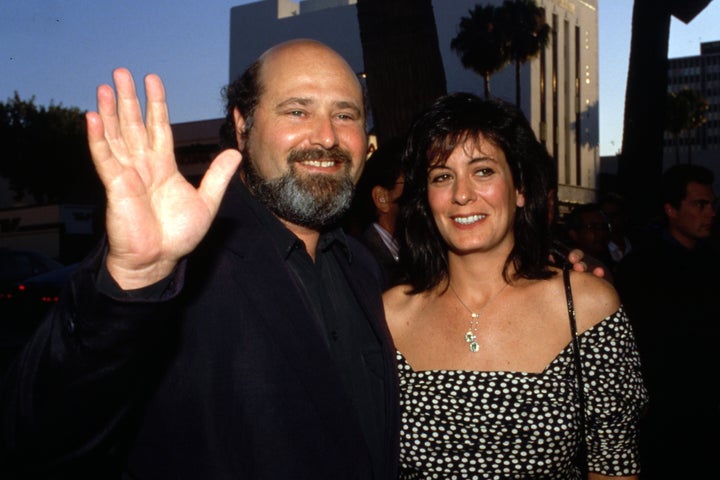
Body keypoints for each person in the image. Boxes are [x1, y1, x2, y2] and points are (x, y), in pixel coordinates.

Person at [1, 39, 400, 479]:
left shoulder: (363, 268)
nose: (326, 137)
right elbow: (37, 436)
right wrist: (134, 279)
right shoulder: (178, 264)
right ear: (243, 126)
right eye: (297, 111)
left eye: (345, 115)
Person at [383, 93, 647, 479]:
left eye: (483, 171)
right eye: (442, 176)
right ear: (426, 198)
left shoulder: (587, 309)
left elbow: (613, 465)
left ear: (520, 188)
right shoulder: (389, 316)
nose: (461, 194)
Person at [615, 163, 720, 479]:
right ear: (671, 210)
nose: (710, 213)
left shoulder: (712, 261)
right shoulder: (640, 267)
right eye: (700, 205)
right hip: (664, 410)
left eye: (712, 204)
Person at [346, 137, 405, 289]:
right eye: (413, 184)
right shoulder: (360, 264)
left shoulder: (416, 252)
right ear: (382, 198)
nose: (427, 193)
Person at [564, 202, 616, 283]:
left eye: (604, 227)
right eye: (592, 227)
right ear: (574, 234)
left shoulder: (613, 264)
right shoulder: (568, 268)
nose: (600, 233)